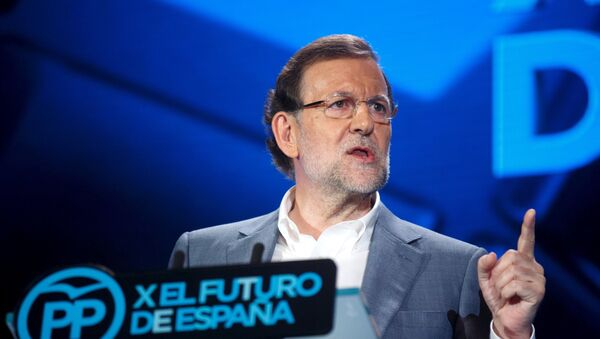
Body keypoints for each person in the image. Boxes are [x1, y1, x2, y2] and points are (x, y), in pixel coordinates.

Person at [169, 34, 545, 338]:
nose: (365, 122)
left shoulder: (457, 267)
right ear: (288, 133)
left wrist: (510, 334)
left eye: (379, 107)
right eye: (340, 104)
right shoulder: (204, 256)